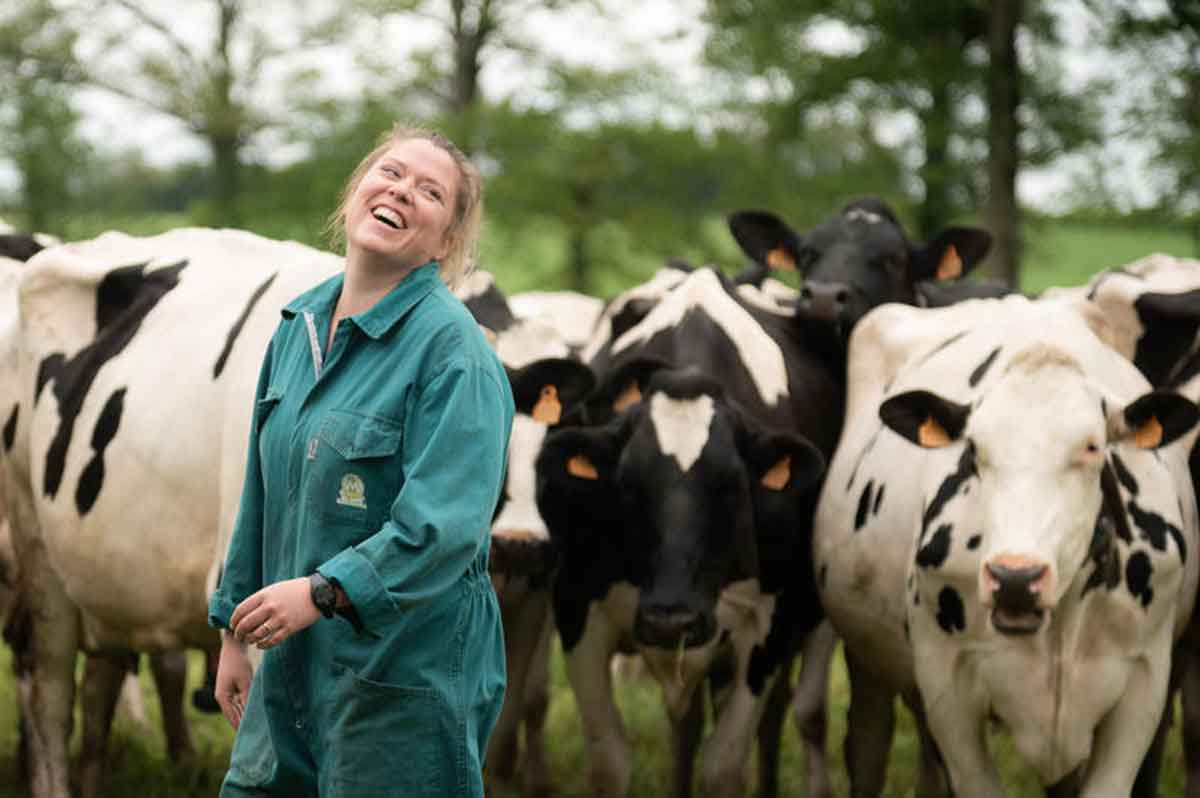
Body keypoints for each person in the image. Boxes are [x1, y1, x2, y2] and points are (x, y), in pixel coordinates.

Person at [208, 122, 515, 797]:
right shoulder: (298, 328)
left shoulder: (455, 354)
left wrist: (321, 592)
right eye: (391, 173)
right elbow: (262, 496)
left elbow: (444, 529)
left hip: (402, 680)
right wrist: (235, 627)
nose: (402, 192)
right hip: (292, 666)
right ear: (357, 192)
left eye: (430, 192)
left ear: (448, 240)